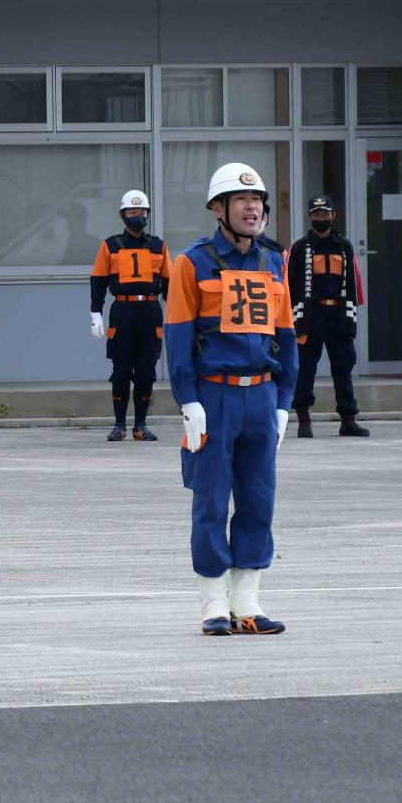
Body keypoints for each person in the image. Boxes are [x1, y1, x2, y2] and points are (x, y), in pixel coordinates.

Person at [164, 162, 297, 637]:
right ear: (218, 209)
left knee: (259, 501)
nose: (253, 208)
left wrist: (283, 402)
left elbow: (287, 338)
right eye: (241, 201)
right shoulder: (192, 263)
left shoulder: (273, 262)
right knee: (211, 501)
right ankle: (213, 604)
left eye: (258, 200)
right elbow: (177, 336)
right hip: (214, 399)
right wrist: (188, 401)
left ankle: (248, 602)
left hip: (261, 396)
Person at [88, 189, 169, 442]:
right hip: (122, 311)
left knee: (146, 371)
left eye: (143, 212)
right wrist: (95, 312)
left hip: (150, 311)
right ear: (123, 215)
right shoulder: (110, 245)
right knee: (121, 369)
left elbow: (170, 283)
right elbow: (98, 280)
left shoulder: (158, 246)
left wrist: (180, 317)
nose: (139, 216)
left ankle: (141, 425)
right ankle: (119, 424)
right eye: (133, 212)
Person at [287, 195, 369, 438]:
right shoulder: (300, 247)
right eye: (316, 214)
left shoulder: (344, 245)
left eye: (325, 214)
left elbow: (352, 284)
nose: (321, 218)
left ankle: (348, 419)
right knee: (305, 368)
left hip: (338, 314)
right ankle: (304, 419)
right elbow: (291, 285)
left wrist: (351, 317)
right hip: (311, 315)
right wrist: (293, 318)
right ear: (310, 216)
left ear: (333, 216)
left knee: (344, 366)